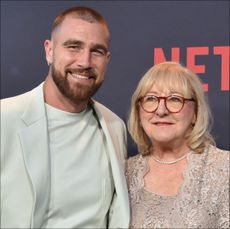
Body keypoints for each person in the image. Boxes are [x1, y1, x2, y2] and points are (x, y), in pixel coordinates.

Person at [1, 6, 130, 228]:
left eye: (97, 51)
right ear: (49, 51)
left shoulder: (114, 127)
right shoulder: (5, 119)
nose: (85, 62)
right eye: (73, 47)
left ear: (107, 59)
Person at [126, 61, 229, 228]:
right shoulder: (124, 173)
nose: (161, 110)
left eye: (174, 99)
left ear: (195, 112)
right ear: (139, 110)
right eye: (151, 99)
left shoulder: (224, 170)